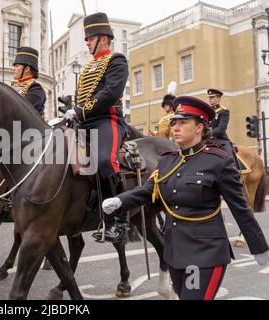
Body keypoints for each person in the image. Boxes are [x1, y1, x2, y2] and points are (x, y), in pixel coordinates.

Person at [101, 96, 269, 299]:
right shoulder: (167, 161)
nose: (175, 128)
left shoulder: (218, 162)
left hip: (204, 253)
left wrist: (259, 247)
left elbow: (240, 208)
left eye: (182, 122)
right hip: (174, 253)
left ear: (199, 127)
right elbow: (147, 190)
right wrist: (120, 201)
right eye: (174, 122)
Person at [63, 12, 130, 243]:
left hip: (107, 120)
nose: (87, 42)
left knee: (103, 160)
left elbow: (110, 93)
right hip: (84, 123)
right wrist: (71, 112)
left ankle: (119, 219)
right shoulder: (88, 68)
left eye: (90, 38)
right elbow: (80, 97)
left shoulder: (116, 60)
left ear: (103, 38)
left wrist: (80, 110)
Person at [12, 47, 46, 117]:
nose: (14, 69)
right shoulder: (15, 87)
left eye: (17, 66)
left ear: (27, 69)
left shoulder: (36, 88)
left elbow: (23, 111)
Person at [208, 89, 234, 159]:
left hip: (220, 139)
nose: (210, 99)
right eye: (209, 97)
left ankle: (232, 169)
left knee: (229, 157)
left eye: (212, 97)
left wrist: (209, 134)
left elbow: (221, 128)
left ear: (218, 98)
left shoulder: (224, 111)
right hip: (206, 138)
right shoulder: (207, 111)